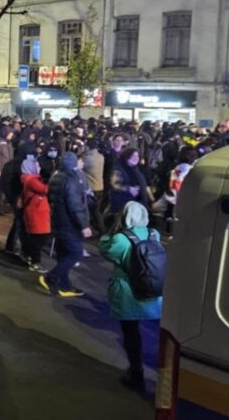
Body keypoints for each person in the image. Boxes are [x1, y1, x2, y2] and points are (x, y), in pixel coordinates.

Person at [99, 202, 162, 393]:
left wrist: (111, 230)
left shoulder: (120, 238)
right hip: (152, 289)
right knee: (159, 332)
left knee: (131, 333)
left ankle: (136, 373)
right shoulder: (154, 234)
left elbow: (105, 250)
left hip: (128, 292)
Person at [39, 152, 92, 298]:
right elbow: (75, 205)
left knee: (63, 254)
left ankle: (64, 284)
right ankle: (51, 277)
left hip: (57, 219)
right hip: (68, 222)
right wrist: (84, 225)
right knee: (75, 253)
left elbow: (50, 198)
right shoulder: (71, 179)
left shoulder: (56, 176)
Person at [20, 157, 50, 273]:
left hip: (40, 214)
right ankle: (35, 262)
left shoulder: (36, 179)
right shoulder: (31, 181)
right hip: (35, 214)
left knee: (38, 238)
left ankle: (28, 255)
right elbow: (45, 190)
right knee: (37, 239)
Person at [109, 147, 150, 214]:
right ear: (126, 156)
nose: (136, 158)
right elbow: (114, 185)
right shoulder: (118, 169)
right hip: (123, 202)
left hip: (136, 202)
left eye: (137, 156)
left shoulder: (136, 169)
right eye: (133, 156)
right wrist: (129, 189)